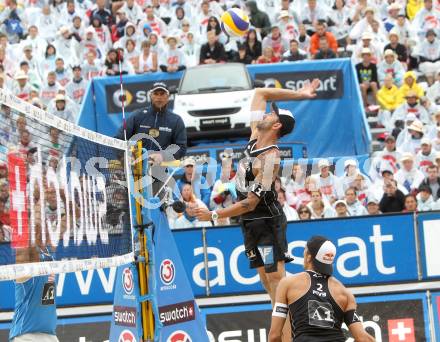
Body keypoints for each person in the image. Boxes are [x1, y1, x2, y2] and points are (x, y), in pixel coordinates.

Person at [196, 80, 319, 309]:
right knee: (265, 279)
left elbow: (250, 203)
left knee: (275, 278)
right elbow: (261, 92)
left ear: (276, 126)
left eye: (271, 115)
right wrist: (300, 94)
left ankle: (293, 324)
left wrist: (213, 215)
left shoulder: (270, 159)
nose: (265, 114)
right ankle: (282, 325)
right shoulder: (255, 136)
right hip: (250, 223)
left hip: (266, 222)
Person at [268, 236, 375, 342]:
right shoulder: (344, 293)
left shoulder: (289, 283)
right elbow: (363, 338)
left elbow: (274, 336)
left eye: (304, 251)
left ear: (308, 257)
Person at [115, 82, 187, 197]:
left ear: (168, 97)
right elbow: (118, 139)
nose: (159, 97)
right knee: (132, 209)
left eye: (162, 94)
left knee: (156, 209)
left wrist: (162, 155)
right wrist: (126, 156)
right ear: (150, 96)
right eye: (156, 93)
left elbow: (181, 147)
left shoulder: (176, 120)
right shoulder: (137, 116)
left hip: (158, 175)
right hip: (133, 173)